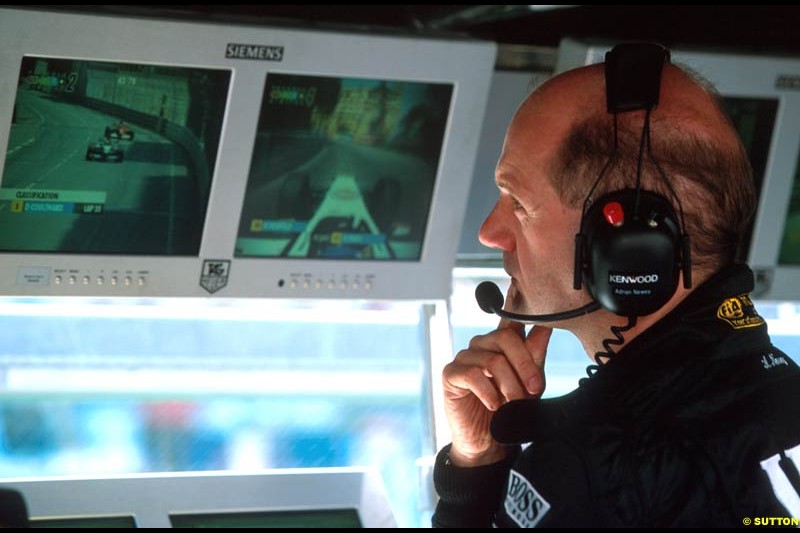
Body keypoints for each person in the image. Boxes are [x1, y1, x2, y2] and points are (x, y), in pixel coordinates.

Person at [432, 45, 800, 528]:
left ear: (627, 242)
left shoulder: (593, 466)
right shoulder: (779, 386)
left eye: (516, 201)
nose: (490, 232)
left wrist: (473, 481)